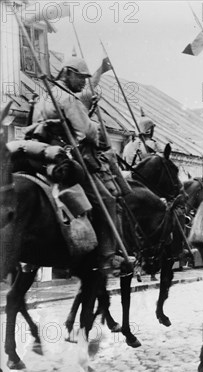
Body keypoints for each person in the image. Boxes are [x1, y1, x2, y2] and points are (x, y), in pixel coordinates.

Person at [30, 57, 129, 277]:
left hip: (39, 157)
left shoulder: (45, 97)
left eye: (86, 78)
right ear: (67, 73)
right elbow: (86, 133)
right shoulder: (68, 98)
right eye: (80, 77)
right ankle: (108, 256)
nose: (84, 82)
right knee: (107, 200)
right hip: (63, 158)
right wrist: (94, 126)